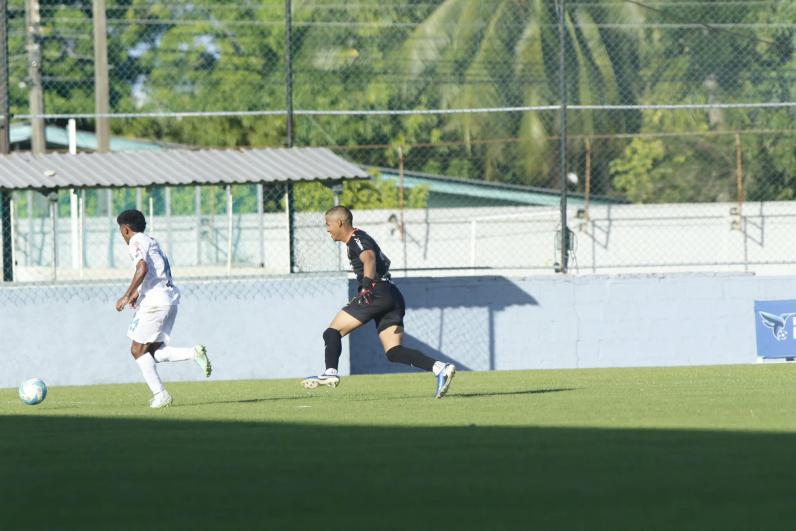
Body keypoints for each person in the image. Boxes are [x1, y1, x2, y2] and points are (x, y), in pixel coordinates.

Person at [302, 206, 456, 398]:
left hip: (376, 292)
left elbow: (369, 257)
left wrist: (366, 285)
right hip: (392, 294)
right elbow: (385, 261)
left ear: (339, 223)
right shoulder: (362, 238)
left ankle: (330, 373)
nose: (327, 229)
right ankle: (440, 368)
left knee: (332, 332)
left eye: (328, 224)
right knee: (394, 352)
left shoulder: (356, 239)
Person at [115, 209, 211, 408]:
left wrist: (126, 295)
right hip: (169, 299)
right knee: (153, 352)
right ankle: (193, 353)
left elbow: (142, 268)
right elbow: (155, 272)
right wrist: (137, 294)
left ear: (125, 230)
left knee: (137, 350)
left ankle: (161, 395)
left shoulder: (135, 242)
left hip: (155, 303)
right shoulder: (152, 240)